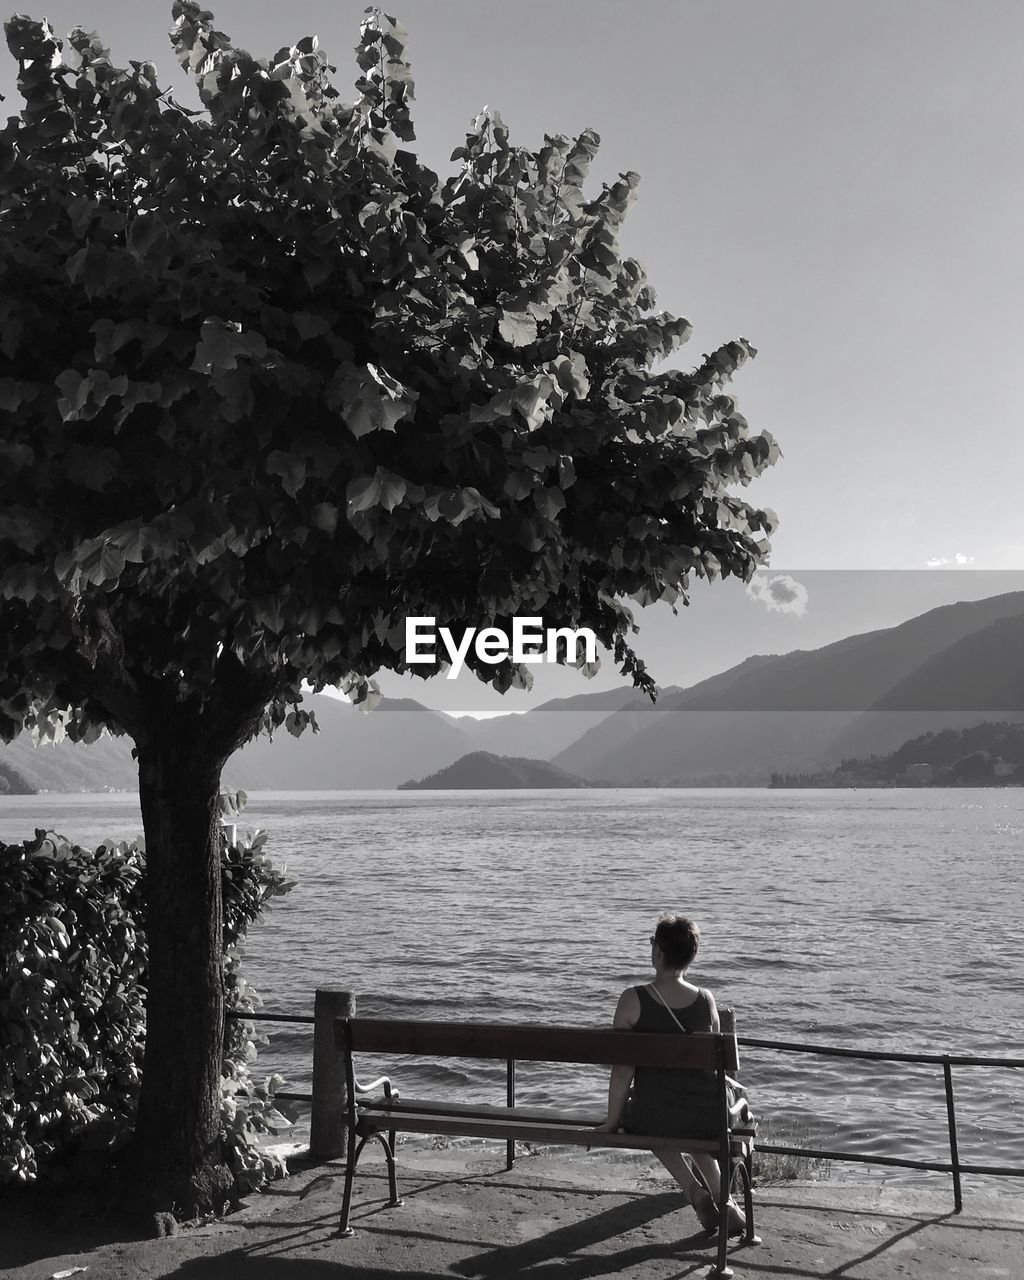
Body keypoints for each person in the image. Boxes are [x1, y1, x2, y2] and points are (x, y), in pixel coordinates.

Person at [594, 913, 744, 1235]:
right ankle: (726, 1202)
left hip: (654, 1113)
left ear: (659, 952)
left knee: (650, 1116)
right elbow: (715, 1065)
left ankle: (695, 1192)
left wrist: (611, 1121)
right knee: (687, 1117)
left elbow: (622, 1070)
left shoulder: (632, 1000)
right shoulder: (706, 1001)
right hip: (705, 1114)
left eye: (652, 943)